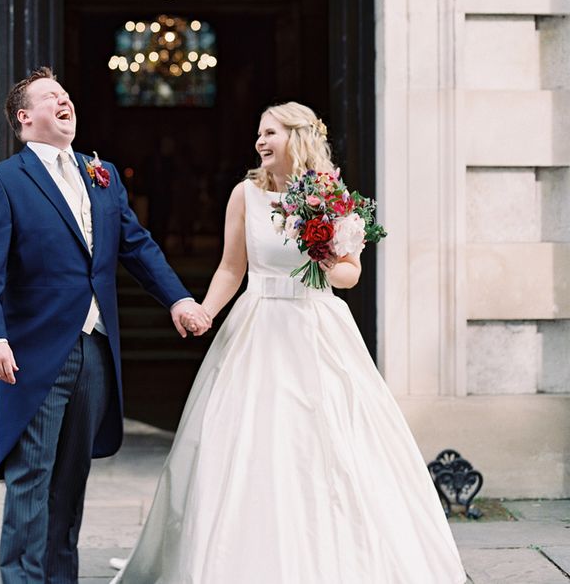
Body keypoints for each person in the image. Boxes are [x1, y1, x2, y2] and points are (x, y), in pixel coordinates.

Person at [111, 102, 467, 583]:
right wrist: (206, 313)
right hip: (256, 326)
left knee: (326, 440)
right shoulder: (245, 194)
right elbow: (231, 267)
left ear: (297, 137)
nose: (260, 141)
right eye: (258, 133)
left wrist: (324, 257)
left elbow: (349, 274)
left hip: (315, 324)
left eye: (270, 132)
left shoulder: (332, 197)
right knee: (245, 440)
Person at [0, 66, 211, 584]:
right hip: (33, 351)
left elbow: (136, 245)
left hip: (95, 350)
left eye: (67, 94)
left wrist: (178, 299)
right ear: (24, 117)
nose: (64, 101)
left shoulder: (104, 175)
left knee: (71, 481)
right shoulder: (3, 181)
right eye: (51, 96)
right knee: (30, 478)